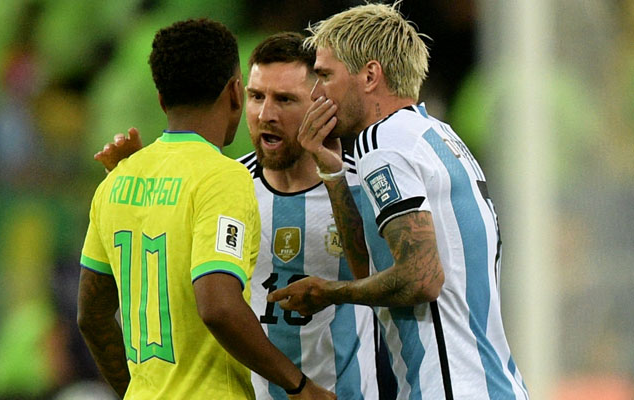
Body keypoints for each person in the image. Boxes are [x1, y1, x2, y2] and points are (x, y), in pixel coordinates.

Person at [95, 32, 389, 400]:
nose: (266, 114)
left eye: (285, 100)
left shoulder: (361, 184)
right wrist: (139, 173)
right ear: (238, 96)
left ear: (319, 104)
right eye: (257, 97)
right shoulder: (223, 186)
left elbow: (388, 284)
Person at [266, 3, 530, 399]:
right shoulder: (437, 137)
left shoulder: (383, 143)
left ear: (370, 75)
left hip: (448, 388)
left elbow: (422, 278)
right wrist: (333, 173)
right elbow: (372, 267)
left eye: (324, 75)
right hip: (494, 385)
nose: (316, 93)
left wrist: (327, 293)